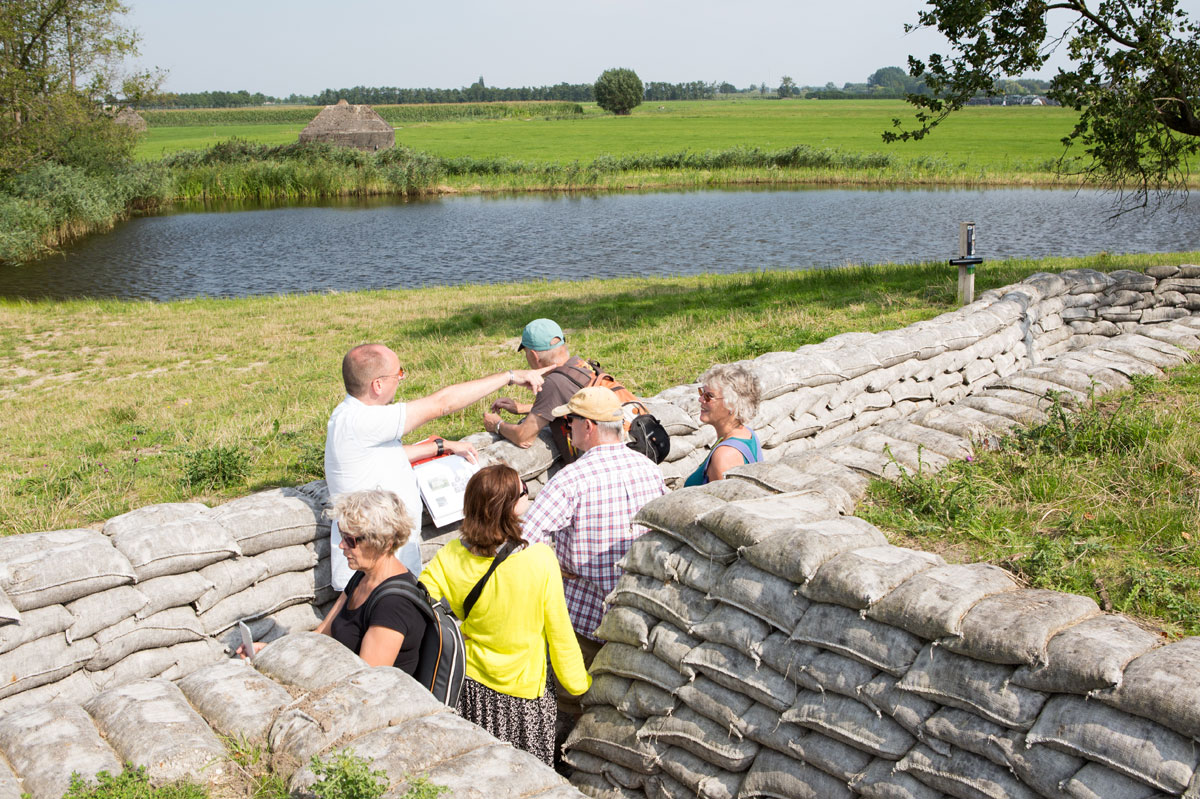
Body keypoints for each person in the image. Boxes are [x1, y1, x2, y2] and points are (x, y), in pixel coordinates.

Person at [325, 342, 550, 590]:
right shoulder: (363, 420)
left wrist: (440, 447)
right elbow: (442, 403)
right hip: (372, 576)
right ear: (377, 385)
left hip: (384, 567)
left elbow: (384, 455)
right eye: (398, 374)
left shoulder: (350, 417)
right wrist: (510, 377)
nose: (401, 379)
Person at [420, 465, 590, 767]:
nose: (529, 496)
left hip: (471, 685)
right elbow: (560, 634)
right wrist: (579, 685)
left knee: (479, 770)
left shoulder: (451, 555)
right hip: (524, 696)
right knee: (526, 776)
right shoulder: (539, 559)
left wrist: (457, 628)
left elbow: (421, 601)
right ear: (509, 507)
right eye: (523, 492)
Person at [521, 387, 667, 662]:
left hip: (586, 620)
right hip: (641, 612)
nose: (567, 428)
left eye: (569, 421)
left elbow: (525, 539)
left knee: (575, 698)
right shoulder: (649, 468)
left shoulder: (571, 479)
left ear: (587, 426)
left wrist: (554, 566)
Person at [240, 489, 427, 672]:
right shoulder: (363, 575)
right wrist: (272, 652)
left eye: (351, 541)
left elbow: (368, 681)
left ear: (384, 543)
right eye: (342, 535)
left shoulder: (394, 605)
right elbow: (322, 634)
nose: (341, 545)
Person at [483, 318, 593, 449]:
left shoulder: (554, 383)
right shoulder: (583, 366)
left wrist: (497, 424)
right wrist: (521, 408)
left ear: (534, 355)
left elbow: (523, 438)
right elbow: (569, 404)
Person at [684, 363, 764, 486]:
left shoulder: (723, 456)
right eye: (702, 393)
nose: (700, 399)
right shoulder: (747, 434)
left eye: (709, 396)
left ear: (732, 404)